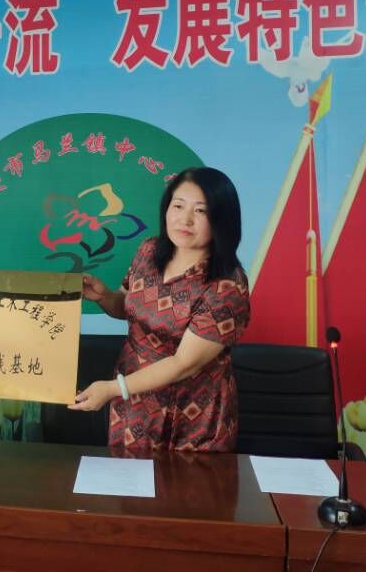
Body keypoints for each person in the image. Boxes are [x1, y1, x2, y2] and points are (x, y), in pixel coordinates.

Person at [68, 167, 250, 453]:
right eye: (178, 206)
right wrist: (104, 296)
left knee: (186, 481)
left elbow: (184, 363)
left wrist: (113, 388)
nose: (185, 219)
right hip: (134, 399)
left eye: (200, 211)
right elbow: (128, 307)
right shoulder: (149, 251)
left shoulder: (227, 286)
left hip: (192, 413)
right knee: (128, 477)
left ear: (222, 220)